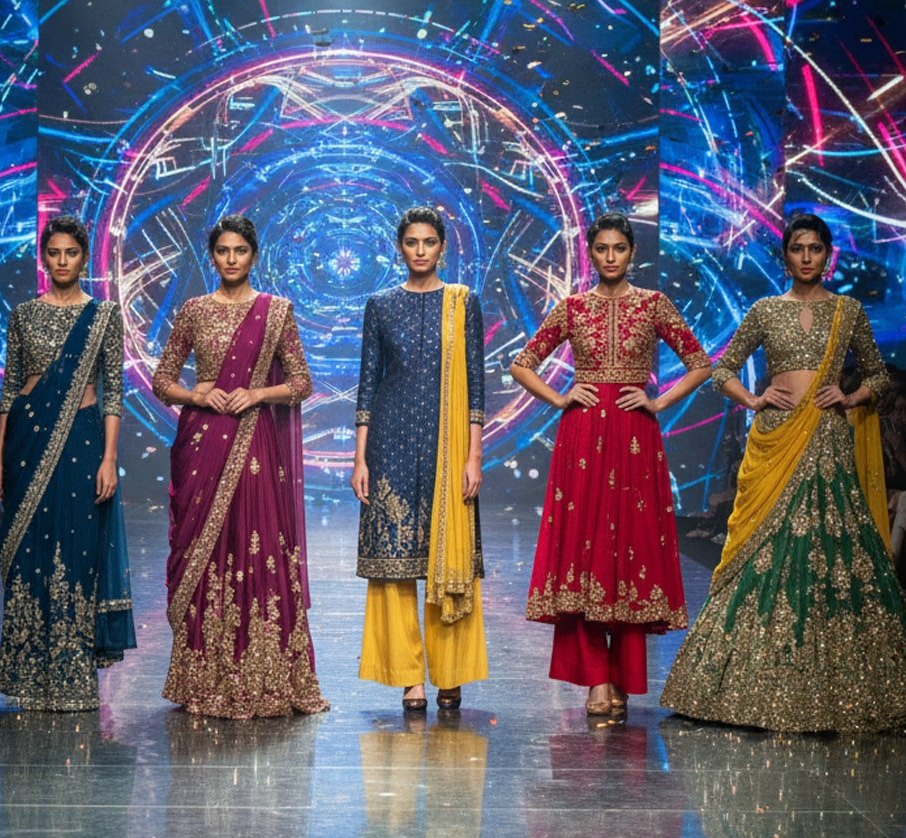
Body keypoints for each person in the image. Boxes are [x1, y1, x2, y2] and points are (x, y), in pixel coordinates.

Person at [660, 212, 906, 731]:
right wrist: (753, 399)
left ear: (827, 255)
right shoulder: (766, 310)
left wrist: (851, 396)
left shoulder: (847, 310)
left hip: (828, 440)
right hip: (777, 440)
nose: (807, 257)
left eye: (815, 248)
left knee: (832, 549)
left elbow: (879, 374)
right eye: (798, 248)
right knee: (767, 547)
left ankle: (838, 686)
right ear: (786, 255)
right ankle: (749, 682)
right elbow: (722, 369)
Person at [509, 211, 711, 715]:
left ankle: (621, 676)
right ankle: (597, 681)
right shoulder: (573, 307)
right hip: (581, 438)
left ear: (632, 252)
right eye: (602, 249)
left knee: (629, 550)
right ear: (591, 253)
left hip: (634, 436)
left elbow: (700, 363)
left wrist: (658, 402)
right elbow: (521, 364)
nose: (611, 257)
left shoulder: (653, 304)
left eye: (619, 248)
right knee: (585, 550)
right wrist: (560, 399)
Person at [152, 214, 327, 718]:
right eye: (223, 251)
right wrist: (197, 395)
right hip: (203, 444)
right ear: (212, 256)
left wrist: (256, 394)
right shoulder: (194, 310)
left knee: (257, 546)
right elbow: (163, 379)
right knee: (205, 552)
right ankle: (203, 675)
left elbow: (302, 382)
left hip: (254, 445)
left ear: (253, 255)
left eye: (240, 251)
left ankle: (263, 672)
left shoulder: (276, 311)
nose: (231, 259)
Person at [0, 214, 136, 711]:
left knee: (76, 551)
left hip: (82, 439)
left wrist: (109, 458)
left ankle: (73, 673)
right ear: (43, 258)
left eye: (71, 253)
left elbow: (113, 393)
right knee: (27, 551)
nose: (62, 261)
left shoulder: (103, 315)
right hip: (26, 441)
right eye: (53, 253)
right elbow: (10, 388)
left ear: (84, 257)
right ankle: (28, 673)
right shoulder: (24, 314)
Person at [353, 205, 487, 712]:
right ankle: (409, 677)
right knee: (395, 563)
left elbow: (476, 384)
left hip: (448, 446)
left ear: (443, 247)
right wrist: (360, 458)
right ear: (399, 247)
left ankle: (450, 673)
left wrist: (474, 455)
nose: (420, 250)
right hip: (389, 443)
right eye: (412, 242)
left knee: (448, 559)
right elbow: (368, 383)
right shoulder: (381, 305)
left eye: (429, 242)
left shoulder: (463, 302)